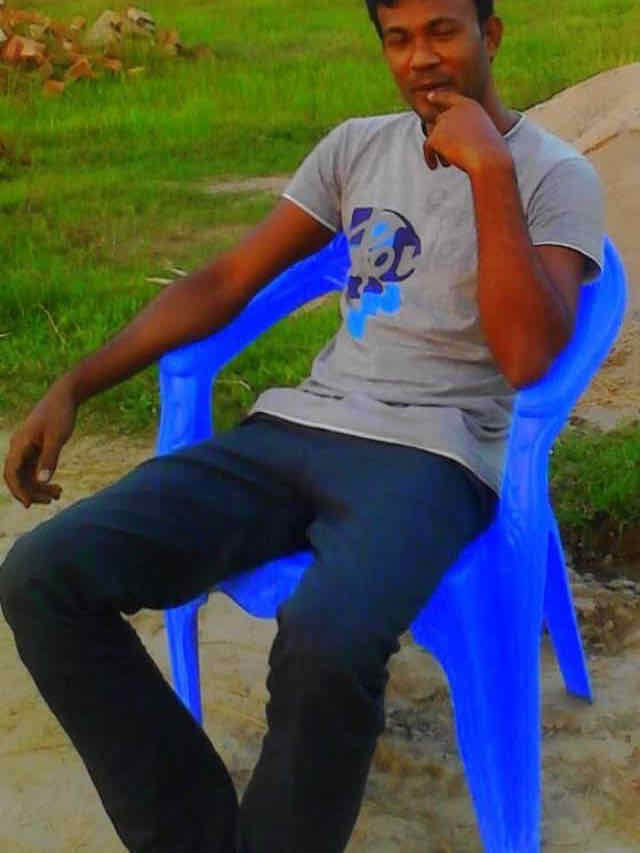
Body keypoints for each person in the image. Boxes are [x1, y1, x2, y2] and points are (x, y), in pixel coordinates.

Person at [0, 1, 604, 851]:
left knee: (329, 640)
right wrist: (76, 383)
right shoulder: (358, 147)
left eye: (443, 30)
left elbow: (526, 357)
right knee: (43, 574)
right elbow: (226, 280)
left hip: (432, 457)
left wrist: (490, 172)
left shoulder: (555, 175)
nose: (421, 58)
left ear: (491, 35)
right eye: (398, 38)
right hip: (296, 431)